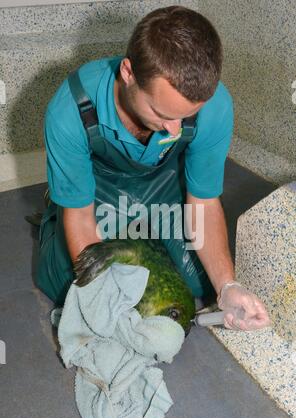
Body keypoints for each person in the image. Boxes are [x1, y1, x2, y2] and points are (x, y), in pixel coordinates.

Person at [35, 5, 271, 331]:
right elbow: (82, 217)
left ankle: (145, 230)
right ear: (128, 73)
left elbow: (202, 202)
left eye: (184, 117)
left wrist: (227, 287)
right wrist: (104, 295)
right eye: (162, 113)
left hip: (164, 182)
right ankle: (54, 209)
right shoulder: (70, 110)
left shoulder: (214, 107)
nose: (174, 130)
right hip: (98, 187)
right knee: (67, 285)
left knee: (201, 284)